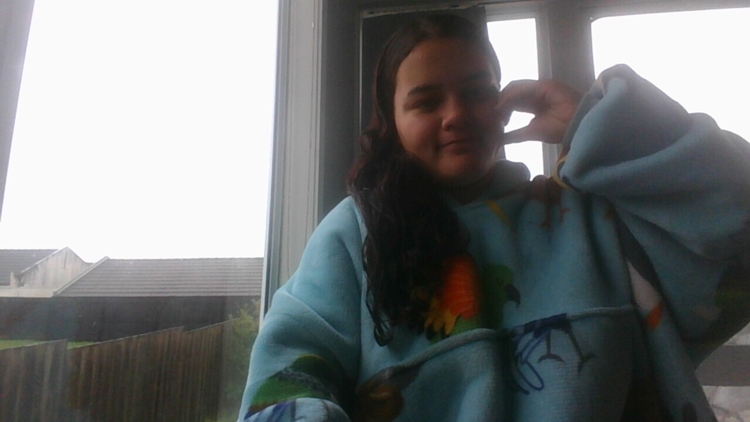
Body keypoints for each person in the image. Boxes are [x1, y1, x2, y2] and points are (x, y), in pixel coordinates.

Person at [239, 13, 750, 422]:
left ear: (503, 103)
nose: (457, 114)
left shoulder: (586, 215)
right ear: (392, 124)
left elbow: (736, 218)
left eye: (477, 92)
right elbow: (287, 377)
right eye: (426, 101)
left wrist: (595, 123)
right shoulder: (355, 235)